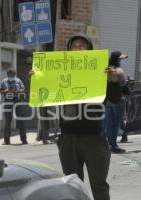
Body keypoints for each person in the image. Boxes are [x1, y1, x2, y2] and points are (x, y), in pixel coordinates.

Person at [29, 34, 111, 200]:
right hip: (68, 138)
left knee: (99, 185)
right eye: (75, 45)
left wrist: (112, 80)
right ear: (69, 49)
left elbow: (115, 98)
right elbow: (43, 98)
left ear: (89, 49)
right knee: (72, 185)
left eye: (83, 45)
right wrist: (37, 80)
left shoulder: (100, 72)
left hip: (94, 138)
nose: (79, 48)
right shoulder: (60, 71)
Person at [104, 51, 129, 153]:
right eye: (120, 59)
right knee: (116, 123)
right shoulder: (119, 71)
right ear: (117, 60)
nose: (121, 61)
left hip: (107, 100)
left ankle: (109, 144)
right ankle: (114, 145)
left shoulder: (105, 70)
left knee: (108, 123)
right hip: (118, 100)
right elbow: (125, 89)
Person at [1, 69, 27, 145]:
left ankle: (24, 139)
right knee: (8, 121)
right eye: (9, 75)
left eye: (12, 75)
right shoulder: (4, 81)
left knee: (21, 120)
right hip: (8, 101)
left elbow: (23, 90)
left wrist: (17, 91)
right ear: (7, 74)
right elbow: (0, 91)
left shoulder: (18, 81)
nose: (11, 76)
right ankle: (6, 140)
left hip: (18, 100)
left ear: (15, 74)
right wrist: (6, 90)